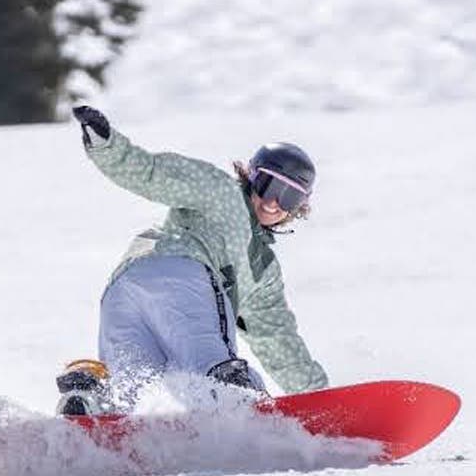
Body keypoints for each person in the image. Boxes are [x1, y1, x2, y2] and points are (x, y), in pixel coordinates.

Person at [55, 104, 329, 417]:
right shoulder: (223, 193)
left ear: (299, 207)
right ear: (251, 177)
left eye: (289, 196)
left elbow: (278, 339)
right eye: (268, 185)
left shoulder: (262, 269)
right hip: (183, 280)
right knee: (218, 378)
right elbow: (152, 173)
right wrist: (108, 145)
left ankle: (88, 400)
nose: (272, 202)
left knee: (130, 395)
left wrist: (319, 396)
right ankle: (245, 405)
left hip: (123, 292)